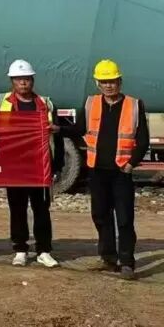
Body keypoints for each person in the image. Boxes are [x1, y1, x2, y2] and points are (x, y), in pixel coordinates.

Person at [68, 59, 149, 280]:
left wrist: (130, 164)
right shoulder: (91, 103)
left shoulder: (134, 105)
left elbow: (143, 140)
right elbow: (79, 128)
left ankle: (127, 263)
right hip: (97, 171)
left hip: (121, 172)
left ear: (120, 81)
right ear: (98, 84)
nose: (109, 85)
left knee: (124, 218)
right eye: (104, 82)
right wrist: (57, 128)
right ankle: (108, 258)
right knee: (101, 215)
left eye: (112, 81)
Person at [0, 59, 61, 269]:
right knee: (17, 209)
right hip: (15, 165)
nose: (23, 82)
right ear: (12, 82)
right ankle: (20, 249)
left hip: (40, 165)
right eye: (18, 79)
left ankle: (44, 250)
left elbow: (57, 137)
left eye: (26, 79)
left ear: (32, 80)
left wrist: (57, 166)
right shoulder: (2, 103)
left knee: (41, 209)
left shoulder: (46, 103)